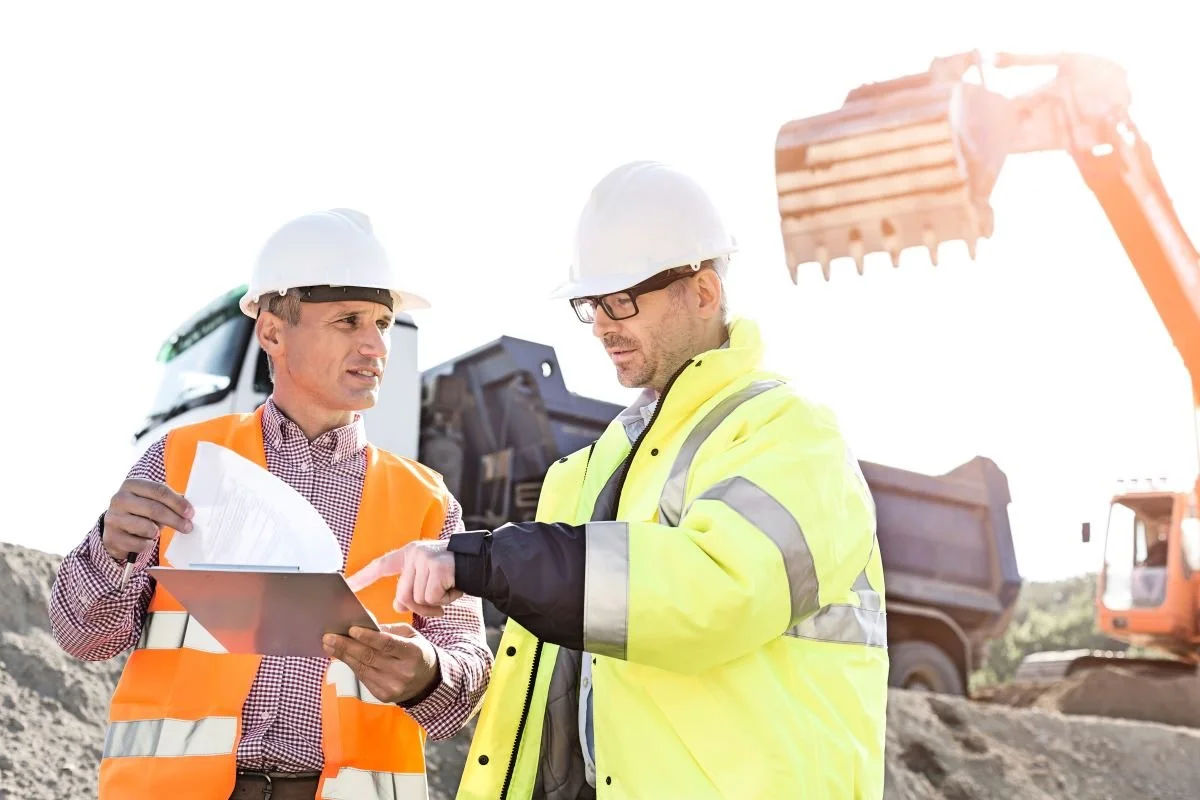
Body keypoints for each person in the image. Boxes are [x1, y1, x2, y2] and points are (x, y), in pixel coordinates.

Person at [347, 162, 890, 799]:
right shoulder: (587, 471)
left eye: (621, 301)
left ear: (703, 292)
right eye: (591, 305)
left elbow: (712, 594)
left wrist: (483, 561)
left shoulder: (790, 433)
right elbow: (555, 689)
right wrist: (430, 675)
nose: (603, 324)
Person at [49, 209, 493, 800]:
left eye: (384, 323)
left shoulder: (427, 501)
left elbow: (467, 679)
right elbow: (84, 637)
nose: (375, 346)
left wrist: (429, 675)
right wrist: (110, 550)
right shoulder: (181, 461)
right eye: (348, 321)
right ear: (273, 334)